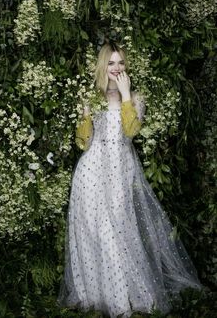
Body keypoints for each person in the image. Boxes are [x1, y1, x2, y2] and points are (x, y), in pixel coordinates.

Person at [57, 42, 202, 318]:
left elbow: (130, 132)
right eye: (111, 63)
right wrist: (86, 113)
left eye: (120, 62)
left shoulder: (135, 97)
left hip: (119, 170)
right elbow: (82, 143)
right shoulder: (91, 97)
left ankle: (123, 298)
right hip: (90, 173)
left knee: (118, 231)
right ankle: (97, 296)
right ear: (102, 66)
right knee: (91, 232)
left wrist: (125, 96)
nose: (116, 68)